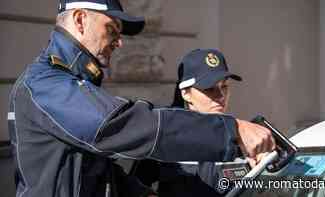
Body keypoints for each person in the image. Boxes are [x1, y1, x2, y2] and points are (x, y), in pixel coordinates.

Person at [7, 1, 275, 197]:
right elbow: (125, 125)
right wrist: (232, 130)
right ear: (79, 20)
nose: (119, 42)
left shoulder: (71, 83)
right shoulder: (47, 84)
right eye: (112, 29)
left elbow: (93, 171)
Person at [134, 48, 264, 196]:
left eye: (224, 86)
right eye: (209, 88)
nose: (221, 96)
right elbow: (135, 186)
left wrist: (263, 167)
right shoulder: (164, 138)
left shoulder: (243, 140)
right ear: (185, 93)